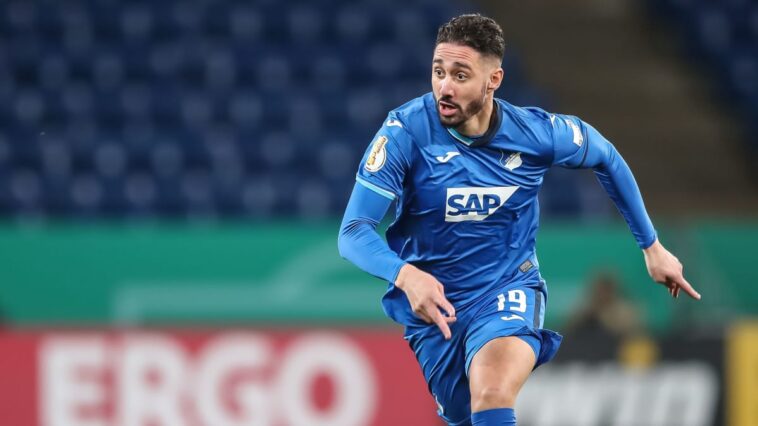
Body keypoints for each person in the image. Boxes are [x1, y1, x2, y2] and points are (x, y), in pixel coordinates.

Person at [337, 13, 700, 426]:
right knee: (464, 413)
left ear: (493, 80)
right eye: (439, 72)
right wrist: (405, 275)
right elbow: (353, 231)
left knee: (491, 391)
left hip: (508, 286)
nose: (445, 87)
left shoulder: (535, 133)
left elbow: (606, 157)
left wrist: (651, 246)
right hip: (435, 307)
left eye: (460, 75)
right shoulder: (405, 132)